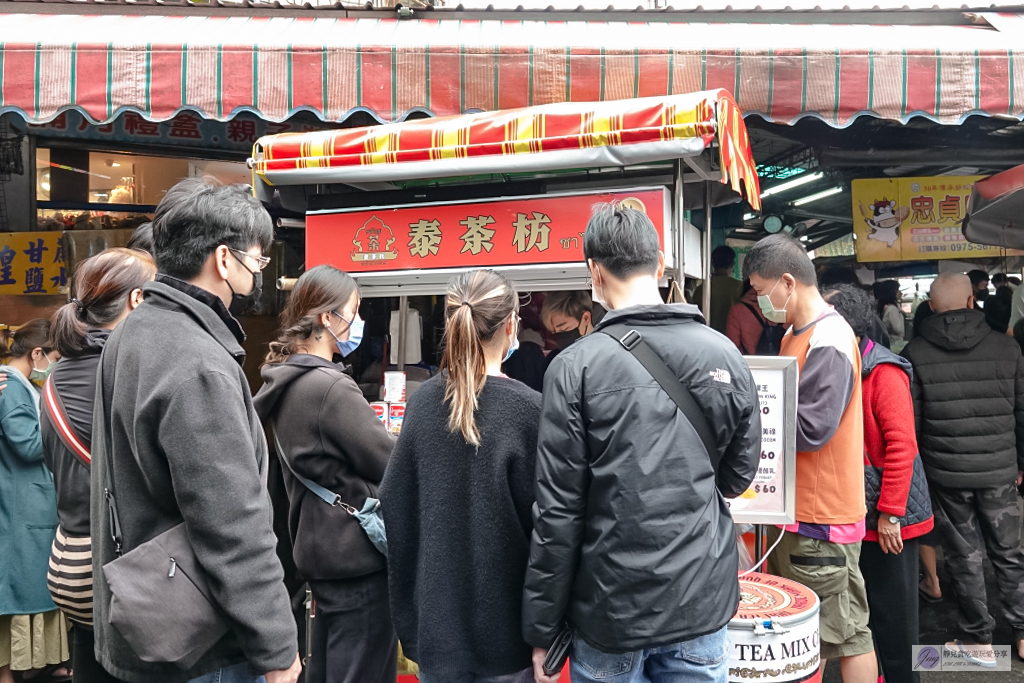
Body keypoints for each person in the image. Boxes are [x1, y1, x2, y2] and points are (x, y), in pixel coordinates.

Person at [523, 205, 761, 683]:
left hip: (610, 610)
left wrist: (542, 629)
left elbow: (558, 514)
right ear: (661, 262)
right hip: (700, 602)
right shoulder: (724, 353)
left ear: (594, 271)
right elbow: (737, 477)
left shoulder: (573, 368)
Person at [90, 179, 300, 683]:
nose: (260, 271)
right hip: (202, 640)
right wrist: (277, 648)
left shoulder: (136, 329)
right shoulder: (197, 362)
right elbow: (233, 524)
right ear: (224, 259)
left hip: (149, 614)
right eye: (259, 258)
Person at [382, 269, 541, 683]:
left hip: (437, 633)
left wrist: (412, 618)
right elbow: (552, 533)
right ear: (510, 326)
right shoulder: (530, 412)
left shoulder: (422, 405)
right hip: (511, 638)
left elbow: (395, 512)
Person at [253, 265, 397, 683]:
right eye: (353, 311)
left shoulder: (286, 383)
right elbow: (390, 462)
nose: (358, 322)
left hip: (318, 553)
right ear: (325, 318)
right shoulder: (329, 388)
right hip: (357, 558)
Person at [744, 235, 877, 683]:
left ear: (787, 282)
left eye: (762, 292)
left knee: (842, 635)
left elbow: (811, 428)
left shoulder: (830, 338)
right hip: (801, 514)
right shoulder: (794, 333)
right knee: (807, 637)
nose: (762, 302)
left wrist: (748, 420)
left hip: (822, 518)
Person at [40, 248, 156, 683]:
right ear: (137, 300)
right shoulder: (125, 368)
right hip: (112, 561)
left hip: (66, 555)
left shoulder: (56, 374)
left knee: (91, 664)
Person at [901, 272, 1024, 664]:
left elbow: (912, 423)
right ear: (973, 301)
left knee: (964, 554)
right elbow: (1022, 413)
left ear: (932, 307)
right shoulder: (1008, 349)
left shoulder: (915, 351)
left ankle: (978, 640)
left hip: (946, 474)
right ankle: (1022, 636)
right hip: (1001, 469)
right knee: (1010, 551)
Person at [822, 284, 935, 683]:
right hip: (859, 512)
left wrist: (890, 514)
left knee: (896, 624)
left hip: (889, 516)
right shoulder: (841, 362)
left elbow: (902, 446)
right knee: (868, 615)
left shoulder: (884, 370)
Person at [0, 320, 68, 683]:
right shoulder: (10, 386)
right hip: (20, 503)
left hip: (28, 500)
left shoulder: (18, 385)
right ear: (36, 353)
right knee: (21, 587)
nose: (55, 365)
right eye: (55, 357)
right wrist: (62, 424)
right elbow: (27, 445)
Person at [693, 245, 744, 334]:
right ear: (732, 264)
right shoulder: (741, 287)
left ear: (713, 264)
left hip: (707, 337)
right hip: (733, 340)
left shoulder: (701, 289)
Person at [726, 280, 783, 355]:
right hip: (782, 364)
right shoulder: (787, 307)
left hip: (749, 364)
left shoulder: (738, 310)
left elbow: (732, 349)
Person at [874, 280, 905, 349]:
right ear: (892, 292)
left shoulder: (884, 306)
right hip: (896, 345)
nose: (900, 292)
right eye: (897, 290)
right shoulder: (892, 309)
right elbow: (899, 329)